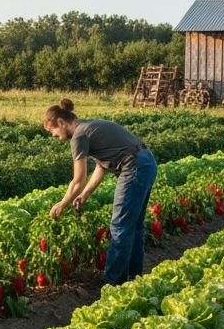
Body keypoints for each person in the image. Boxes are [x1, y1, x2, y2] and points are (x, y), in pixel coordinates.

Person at [44, 99, 158, 286]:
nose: (53, 136)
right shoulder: (90, 126)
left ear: (61, 123)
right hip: (146, 162)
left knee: (120, 226)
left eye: (52, 131)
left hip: (134, 167)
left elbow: (78, 180)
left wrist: (62, 203)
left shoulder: (78, 137)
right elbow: (101, 166)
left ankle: (113, 283)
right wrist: (85, 194)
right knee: (134, 226)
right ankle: (134, 279)